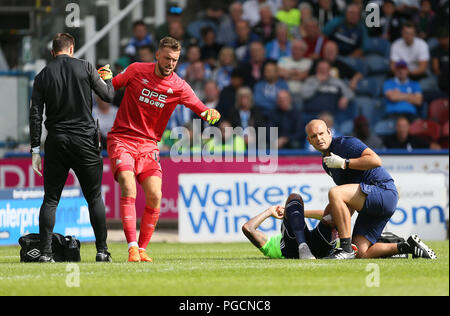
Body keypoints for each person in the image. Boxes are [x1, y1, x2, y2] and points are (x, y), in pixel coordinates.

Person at [107, 37, 221, 262]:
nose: (170, 63)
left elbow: (199, 108)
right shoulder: (137, 70)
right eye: (167, 57)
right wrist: (104, 79)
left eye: (175, 60)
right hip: (123, 139)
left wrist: (210, 113)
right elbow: (112, 87)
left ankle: (142, 248)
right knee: (128, 187)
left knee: (155, 196)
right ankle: (131, 247)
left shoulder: (179, 86)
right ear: (157, 55)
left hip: (149, 145)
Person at [29, 33, 114, 262]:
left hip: (56, 141)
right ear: (72, 49)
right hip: (85, 141)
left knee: (50, 199)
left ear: (52, 52)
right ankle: (102, 251)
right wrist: (108, 78)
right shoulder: (86, 67)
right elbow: (108, 95)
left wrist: (35, 149)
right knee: (94, 197)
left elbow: (35, 115)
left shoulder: (43, 75)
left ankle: (46, 254)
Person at [305, 119, 437, 259]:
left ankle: (345, 249)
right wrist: (298, 213)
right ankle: (407, 246)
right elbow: (342, 208)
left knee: (335, 192)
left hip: (383, 192)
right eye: (314, 136)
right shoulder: (327, 164)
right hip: (370, 202)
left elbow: (375, 160)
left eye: (321, 133)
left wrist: (345, 162)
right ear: (309, 141)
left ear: (329, 132)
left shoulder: (345, 144)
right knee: (361, 252)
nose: (319, 138)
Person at [242, 193, 338, 259]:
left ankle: (347, 247)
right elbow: (248, 228)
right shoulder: (269, 245)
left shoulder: (270, 246)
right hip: (292, 249)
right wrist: (270, 211)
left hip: (314, 246)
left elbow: (327, 215)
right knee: (294, 197)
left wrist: (297, 213)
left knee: (333, 210)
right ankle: (302, 246)